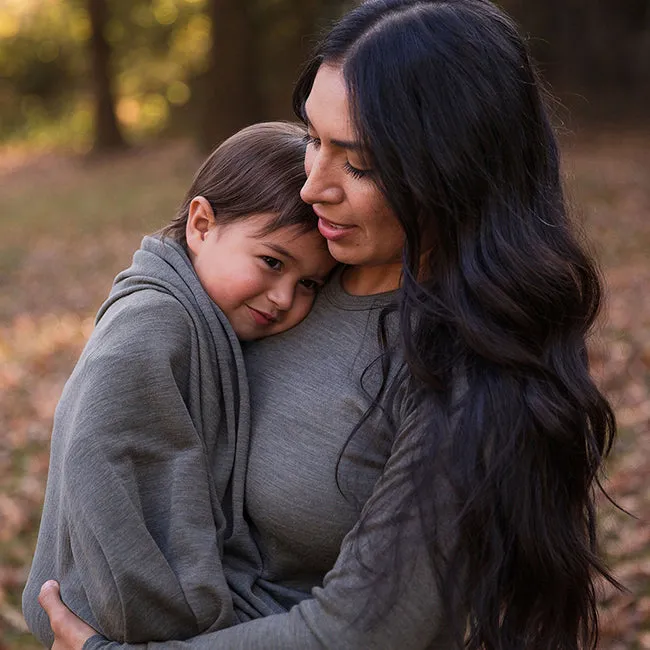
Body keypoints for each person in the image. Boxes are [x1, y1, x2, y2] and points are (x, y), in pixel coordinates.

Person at [35, 0, 618, 648]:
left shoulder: (467, 372)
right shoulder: (299, 269)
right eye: (313, 136)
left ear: (453, 170)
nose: (312, 186)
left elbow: (360, 630)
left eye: (358, 163)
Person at [22, 121, 336, 646]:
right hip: (127, 617)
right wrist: (179, 632)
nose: (284, 297)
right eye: (272, 262)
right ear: (201, 224)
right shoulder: (154, 325)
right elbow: (110, 480)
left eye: (308, 284)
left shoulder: (206, 319)